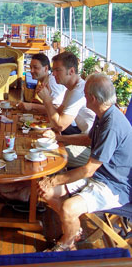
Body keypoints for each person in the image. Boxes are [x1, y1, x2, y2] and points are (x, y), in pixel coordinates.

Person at [38, 73, 132, 251]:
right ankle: (74, 229)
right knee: (46, 191)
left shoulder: (112, 125)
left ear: (92, 98)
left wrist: (54, 179)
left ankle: (66, 245)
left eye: (85, 94)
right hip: (99, 175)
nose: (83, 96)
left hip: (114, 186)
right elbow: (88, 139)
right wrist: (60, 139)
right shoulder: (103, 113)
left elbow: (88, 170)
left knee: (68, 207)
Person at [38, 52, 95, 167]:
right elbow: (57, 114)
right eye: (53, 70)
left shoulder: (77, 92)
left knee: (44, 154)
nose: (53, 74)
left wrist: (47, 100)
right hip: (83, 138)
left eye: (57, 70)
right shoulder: (71, 89)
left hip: (92, 148)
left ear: (71, 71)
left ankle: (48, 182)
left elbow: (60, 125)